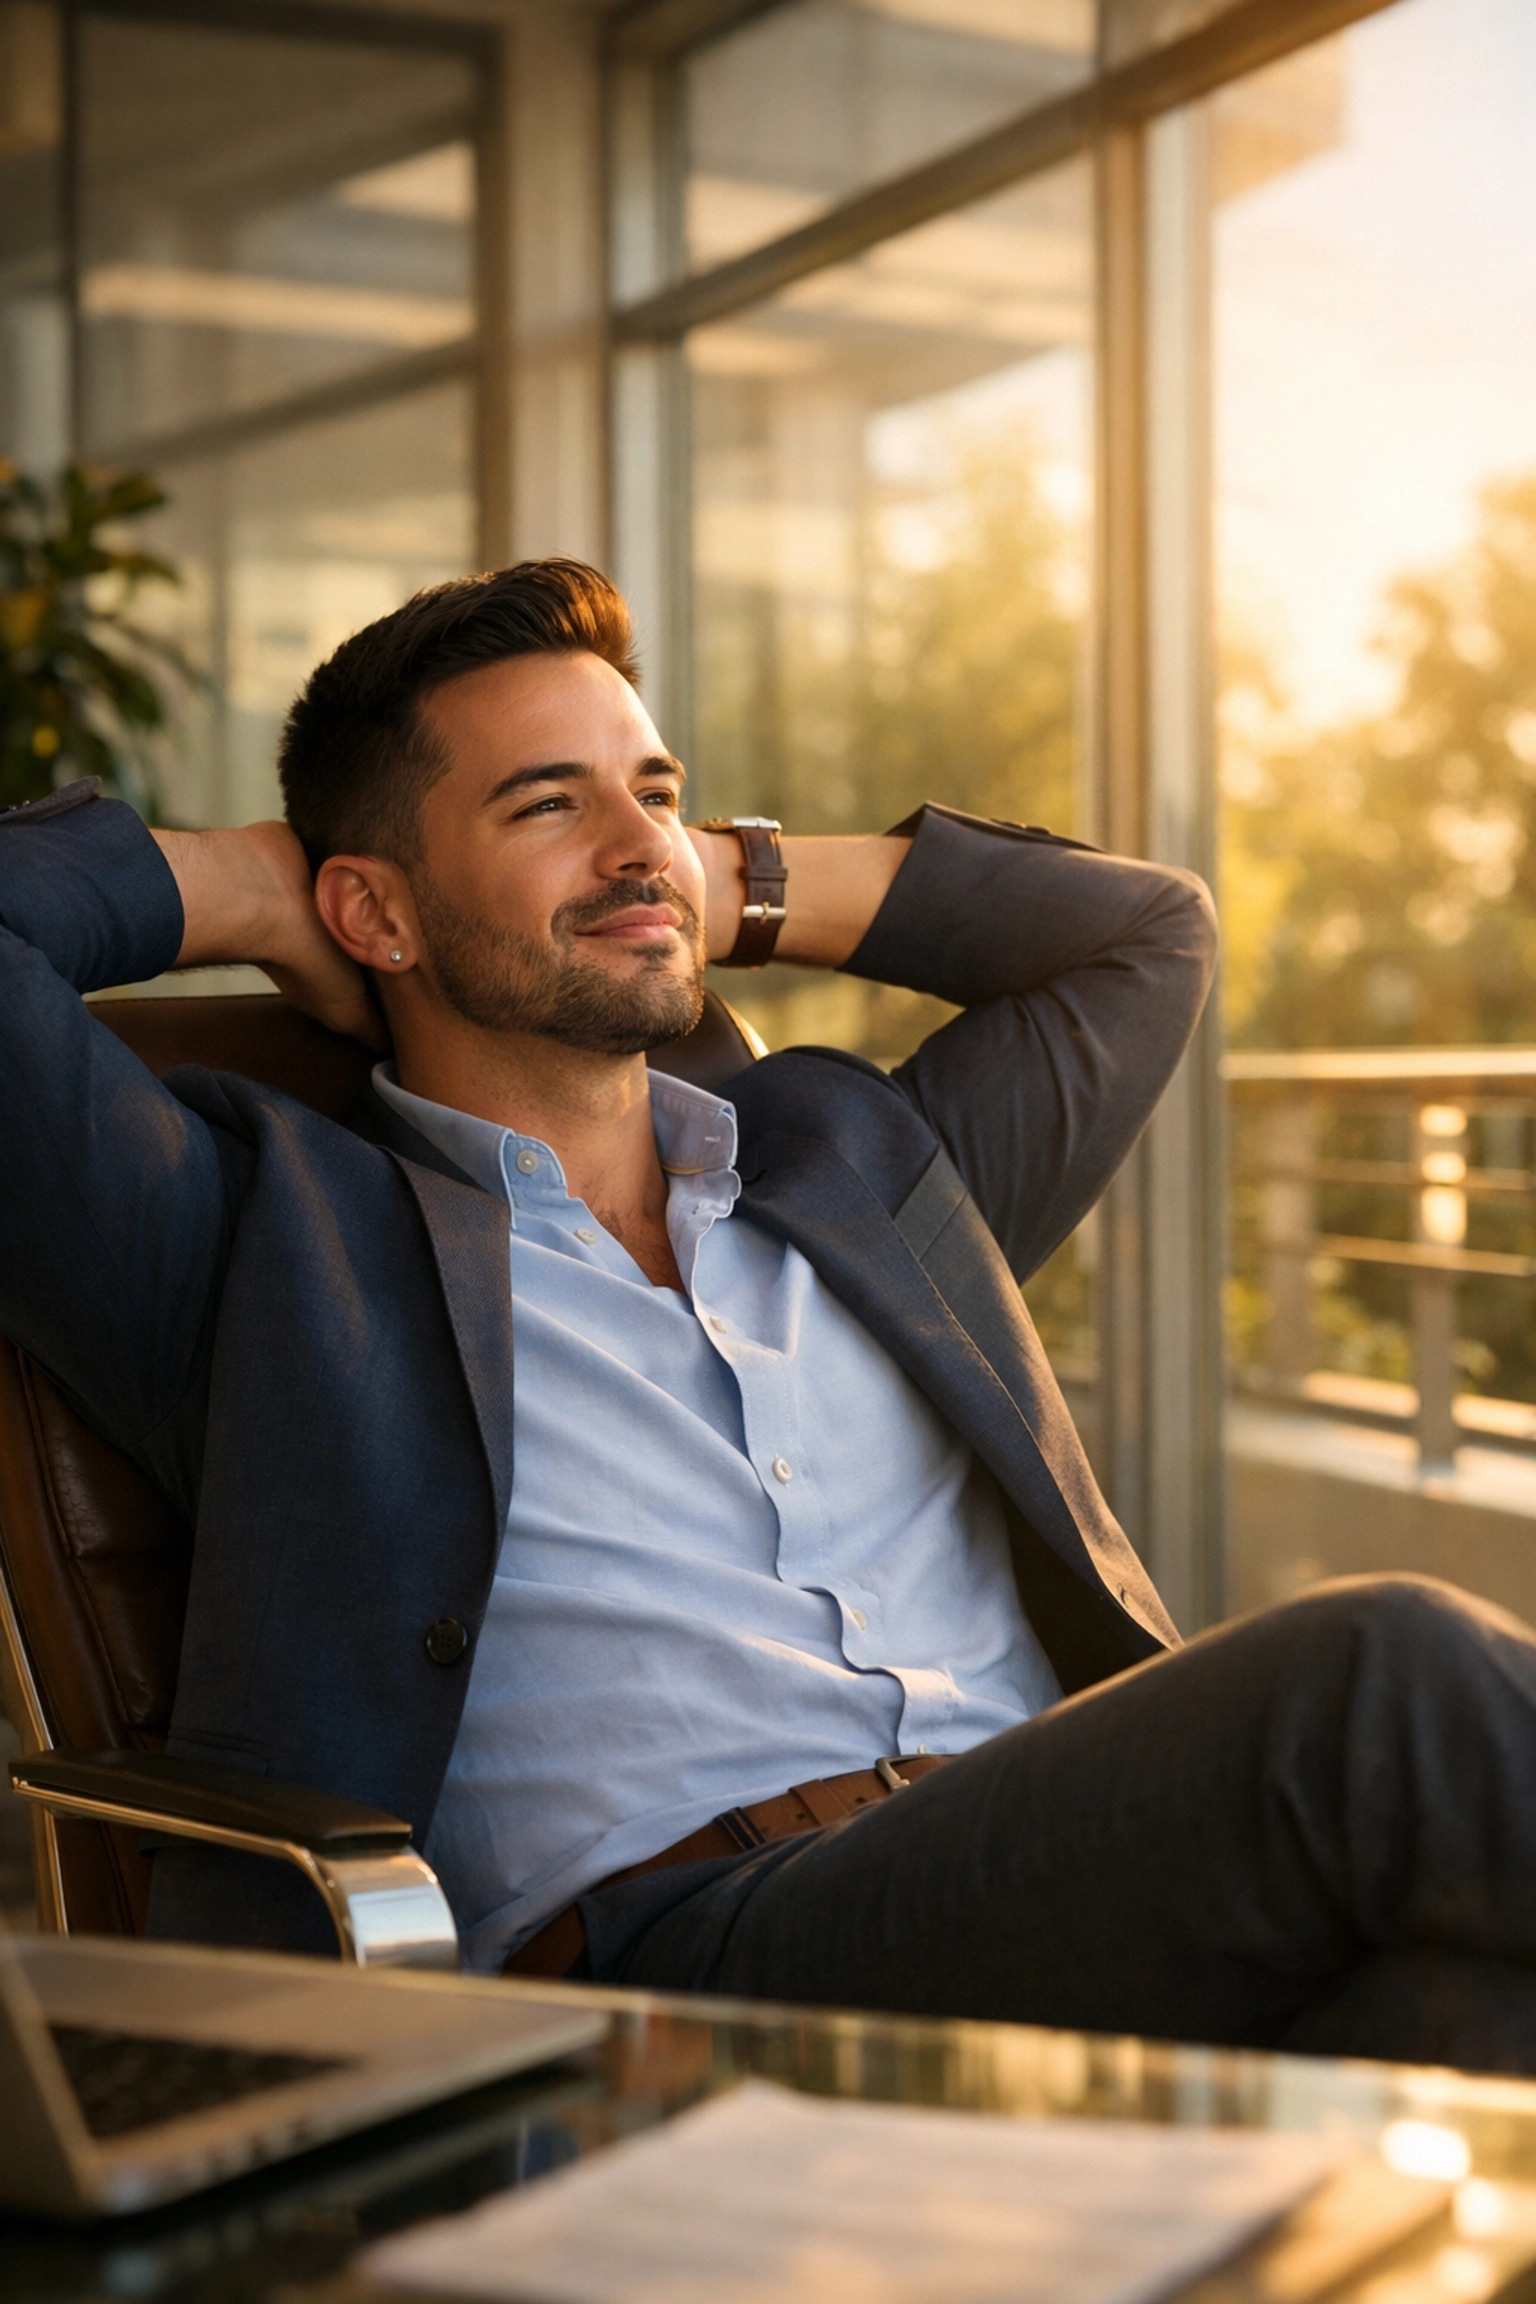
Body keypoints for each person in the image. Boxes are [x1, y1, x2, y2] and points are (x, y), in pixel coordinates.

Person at [6, 558, 1536, 2076]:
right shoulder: (261, 1245)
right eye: (548, 805)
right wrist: (265, 889)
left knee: (1461, 2026)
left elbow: (1148, 935)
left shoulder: (861, 1172)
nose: (634, 845)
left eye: (655, 791)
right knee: (1385, 1680)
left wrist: (711, 882)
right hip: (685, 1983)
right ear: (380, 913)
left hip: (1071, 1888)